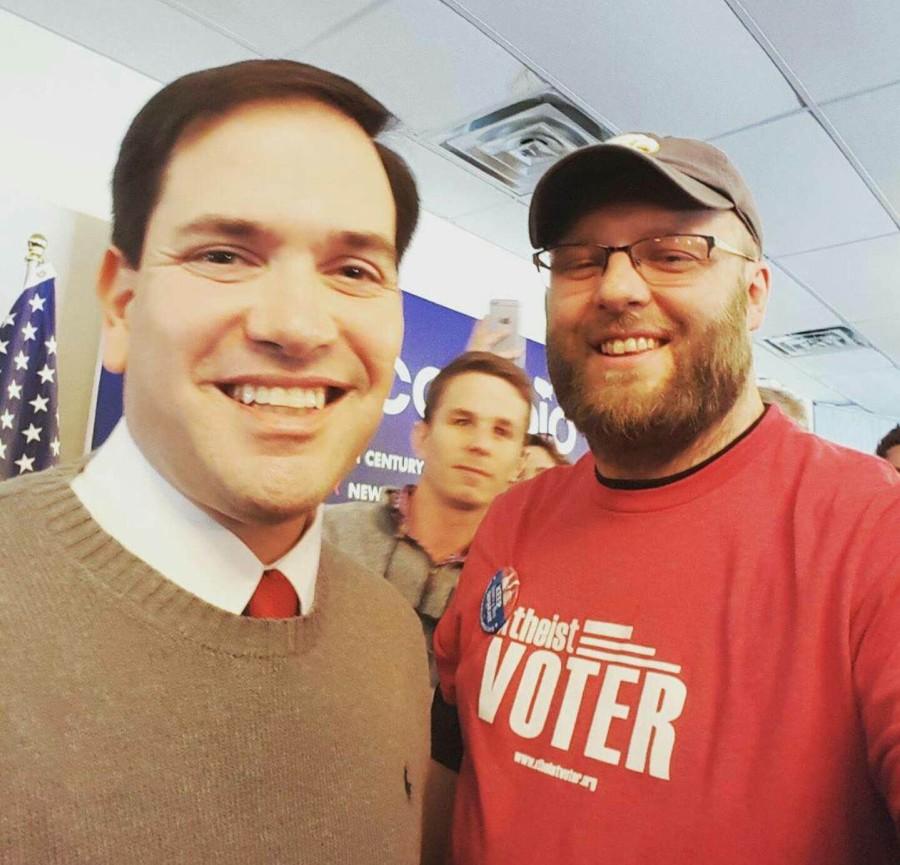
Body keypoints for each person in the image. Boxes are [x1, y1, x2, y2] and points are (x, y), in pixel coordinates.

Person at [0, 60, 431, 864]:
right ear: (122, 306)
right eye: (225, 255)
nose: (298, 325)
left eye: (353, 270)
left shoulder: (393, 641)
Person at [429, 132, 900, 864]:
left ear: (753, 295)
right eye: (579, 260)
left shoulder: (875, 532)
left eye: (674, 252)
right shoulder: (515, 518)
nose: (616, 288)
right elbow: (453, 765)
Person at [324, 350, 531, 685]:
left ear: (519, 464)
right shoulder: (330, 535)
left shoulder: (518, 587)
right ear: (421, 437)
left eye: (501, 432)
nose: (480, 444)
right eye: (462, 422)